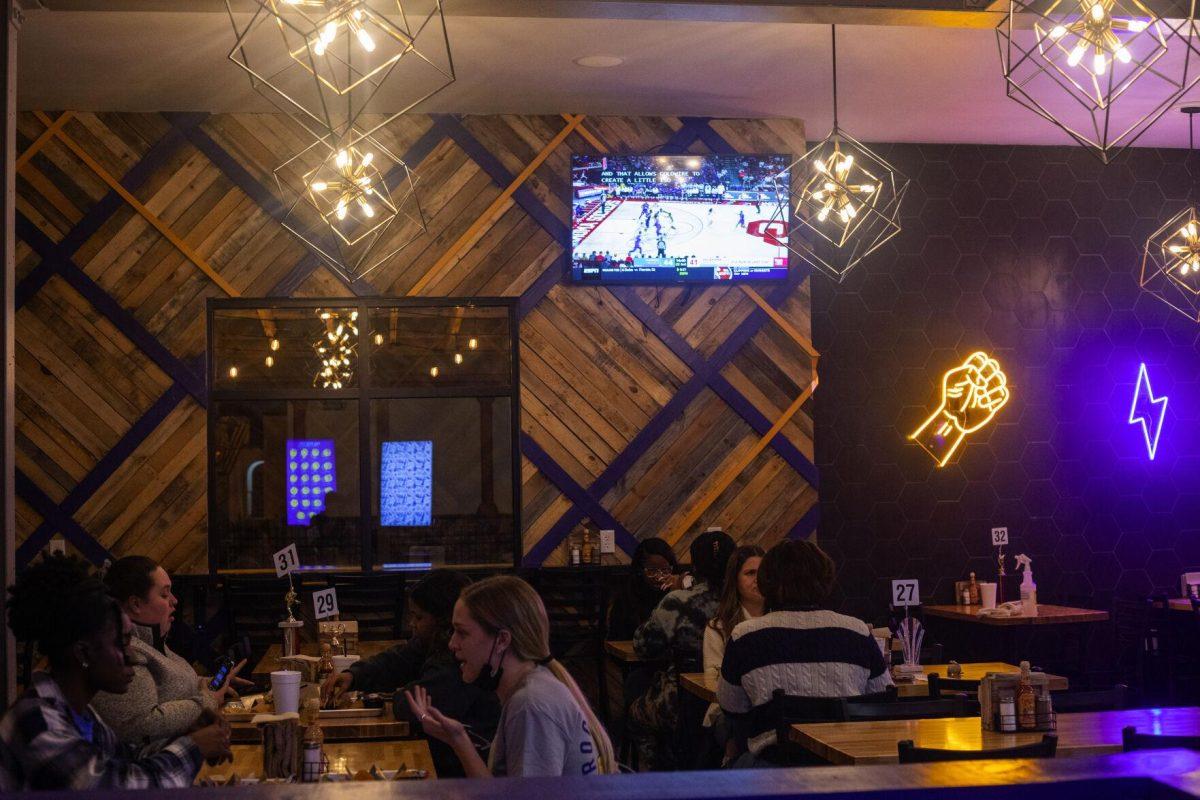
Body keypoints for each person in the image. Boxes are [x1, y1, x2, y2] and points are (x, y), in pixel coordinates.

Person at [0, 554, 231, 790]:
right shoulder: (37, 722)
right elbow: (117, 789)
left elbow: (131, 762)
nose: (132, 655)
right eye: (121, 642)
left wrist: (190, 735)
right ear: (83, 653)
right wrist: (193, 747)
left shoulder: (82, 715)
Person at [405, 576, 616, 777]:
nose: (452, 644)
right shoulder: (535, 683)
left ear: (502, 640)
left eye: (462, 633)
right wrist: (459, 741)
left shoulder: (531, 704)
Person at [717, 540, 893, 766]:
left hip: (775, 769)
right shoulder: (856, 630)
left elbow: (731, 705)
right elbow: (882, 696)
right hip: (844, 767)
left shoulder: (745, 635)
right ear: (825, 579)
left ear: (766, 582)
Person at [320, 571, 501, 778]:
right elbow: (399, 660)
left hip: (456, 775)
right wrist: (354, 676)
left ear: (442, 620)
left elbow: (411, 706)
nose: (411, 623)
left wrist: (395, 694)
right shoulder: (432, 643)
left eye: (418, 617)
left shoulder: (458, 660)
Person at [91, 556, 246, 749]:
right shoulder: (125, 652)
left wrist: (206, 682)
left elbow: (169, 687)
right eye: (164, 595)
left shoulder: (153, 641)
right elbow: (141, 722)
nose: (174, 601)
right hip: (164, 764)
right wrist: (207, 702)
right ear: (136, 604)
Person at [628, 529, 735, 771]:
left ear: (694, 566)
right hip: (734, 701)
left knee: (637, 716)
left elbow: (643, 647)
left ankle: (659, 777)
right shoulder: (744, 601)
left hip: (682, 703)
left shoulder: (678, 601)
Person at [702, 546, 765, 764]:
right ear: (735, 580)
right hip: (727, 710)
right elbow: (713, 681)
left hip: (767, 708)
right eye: (750, 573)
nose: (758, 579)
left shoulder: (780, 620)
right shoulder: (718, 627)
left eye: (762, 572)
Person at [606, 537, 678, 641]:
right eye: (652, 571)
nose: (659, 577)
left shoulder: (676, 592)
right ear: (639, 571)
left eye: (665, 570)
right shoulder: (627, 597)